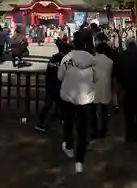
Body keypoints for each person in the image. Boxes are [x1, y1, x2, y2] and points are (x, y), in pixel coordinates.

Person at [58, 31, 96, 174]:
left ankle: (68, 146)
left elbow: (60, 76)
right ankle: (79, 159)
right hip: (86, 100)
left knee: (68, 124)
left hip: (68, 97)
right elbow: (97, 79)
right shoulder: (94, 60)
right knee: (83, 130)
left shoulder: (67, 58)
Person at [114, 38, 137, 142]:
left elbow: (117, 72)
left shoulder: (122, 56)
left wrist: (121, 85)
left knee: (129, 114)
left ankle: (129, 135)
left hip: (127, 89)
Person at [35, 40, 73, 132]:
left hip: (51, 84)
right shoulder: (65, 60)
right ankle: (65, 120)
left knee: (49, 104)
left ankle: (40, 122)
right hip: (59, 85)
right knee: (63, 104)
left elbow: (49, 71)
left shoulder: (53, 58)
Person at [91, 42, 113, 139]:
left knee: (93, 111)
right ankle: (103, 131)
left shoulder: (93, 60)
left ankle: (94, 130)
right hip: (106, 87)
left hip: (94, 87)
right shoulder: (110, 61)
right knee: (104, 111)